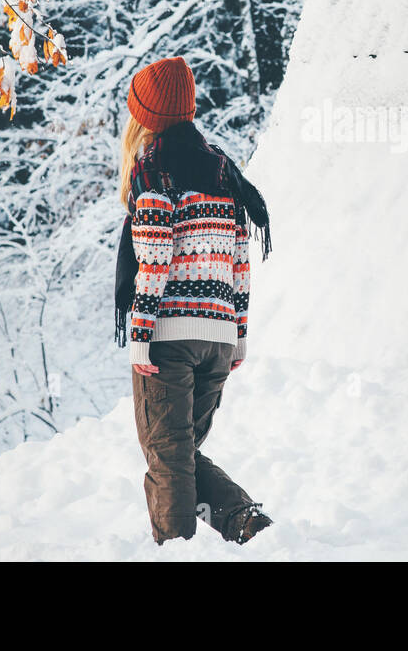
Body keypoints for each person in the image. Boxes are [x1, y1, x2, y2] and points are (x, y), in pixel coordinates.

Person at [114, 56, 274, 545]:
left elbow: (156, 257)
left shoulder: (155, 169)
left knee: (166, 457)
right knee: (177, 454)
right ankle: (246, 524)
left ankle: (176, 553)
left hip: (170, 338)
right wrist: (238, 337)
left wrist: (141, 338)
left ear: (147, 116)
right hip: (218, 339)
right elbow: (239, 261)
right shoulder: (223, 170)